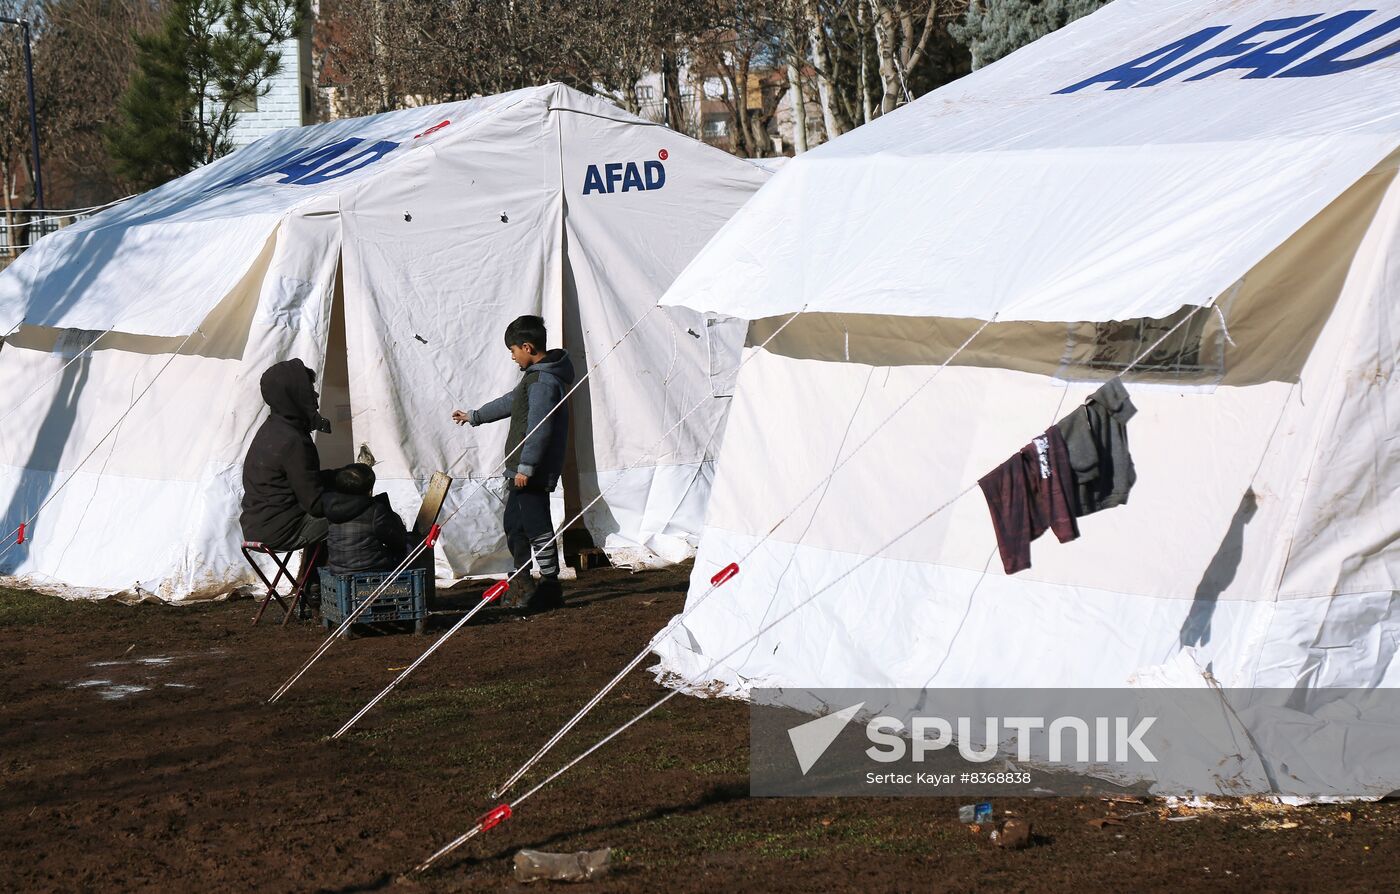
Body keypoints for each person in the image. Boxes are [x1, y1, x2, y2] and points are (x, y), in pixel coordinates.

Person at [453, 315, 575, 612]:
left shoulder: (544, 381)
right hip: (521, 470)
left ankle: (550, 586)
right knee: (514, 525)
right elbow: (512, 401)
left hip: (530, 471)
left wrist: (527, 467)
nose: (512, 356)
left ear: (528, 347)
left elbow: (539, 427)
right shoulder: (534, 378)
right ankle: (522, 580)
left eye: (513, 350)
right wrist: (475, 416)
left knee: (536, 526)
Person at [240, 359, 334, 596]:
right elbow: (315, 503)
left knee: (336, 509)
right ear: (293, 395)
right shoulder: (293, 441)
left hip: (258, 525)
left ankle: (312, 582)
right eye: (308, 390)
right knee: (353, 516)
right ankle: (322, 588)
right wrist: (355, 497)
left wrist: (337, 477)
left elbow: (297, 481)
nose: (314, 396)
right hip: (279, 530)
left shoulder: (272, 429)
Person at [321, 463, 409, 576]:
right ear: (369, 490)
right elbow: (396, 539)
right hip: (371, 571)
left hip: (338, 570)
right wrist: (392, 515)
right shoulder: (374, 510)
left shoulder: (331, 507)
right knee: (409, 548)